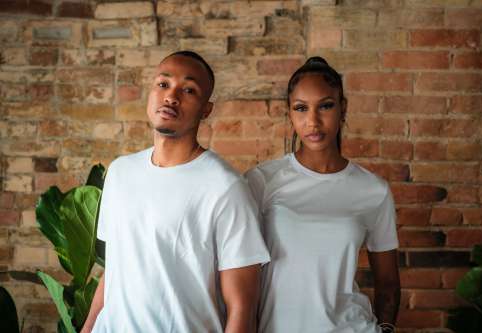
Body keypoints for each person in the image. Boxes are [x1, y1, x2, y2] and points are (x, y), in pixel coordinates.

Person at [81, 51, 270, 333]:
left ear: (206, 109)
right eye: (163, 84)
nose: (171, 96)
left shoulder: (225, 187)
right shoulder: (120, 173)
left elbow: (242, 306)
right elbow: (116, 271)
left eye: (189, 90)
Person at [245, 57, 400, 333]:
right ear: (289, 113)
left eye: (326, 106)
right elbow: (240, 275)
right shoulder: (262, 180)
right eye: (301, 108)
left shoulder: (373, 190)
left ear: (343, 108)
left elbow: (387, 281)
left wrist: (386, 328)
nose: (313, 121)